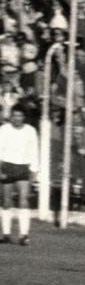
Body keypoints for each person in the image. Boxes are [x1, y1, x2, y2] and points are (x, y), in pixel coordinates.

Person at [0, 105, 38, 246]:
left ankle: (24, 235)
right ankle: (6, 234)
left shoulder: (30, 131)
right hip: (7, 166)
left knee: (23, 200)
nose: (17, 118)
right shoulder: (4, 130)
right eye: (15, 115)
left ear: (24, 117)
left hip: (23, 167)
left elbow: (34, 150)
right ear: (11, 116)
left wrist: (34, 169)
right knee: (6, 201)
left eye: (20, 115)